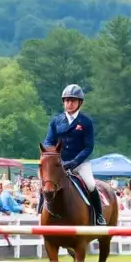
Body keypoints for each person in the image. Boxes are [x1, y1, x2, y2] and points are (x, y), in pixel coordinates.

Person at [42, 84, 105, 225]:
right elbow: (48, 141)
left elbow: (88, 147)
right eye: (67, 100)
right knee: (46, 183)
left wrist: (73, 162)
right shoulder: (56, 121)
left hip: (80, 163)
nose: (69, 103)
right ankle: (40, 210)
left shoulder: (86, 122)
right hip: (59, 163)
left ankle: (99, 215)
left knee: (90, 184)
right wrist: (51, 154)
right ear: (63, 102)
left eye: (73, 101)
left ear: (79, 103)